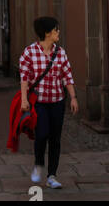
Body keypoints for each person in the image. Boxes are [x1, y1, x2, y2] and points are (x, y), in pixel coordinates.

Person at [19, 15, 79, 189]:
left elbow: (67, 76)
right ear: (47, 33)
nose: (58, 32)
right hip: (39, 102)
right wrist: (24, 99)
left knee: (55, 139)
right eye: (55, 30)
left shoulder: (61, 53)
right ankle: (38, 164)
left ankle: (52, 175)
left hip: (57, 102)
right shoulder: (29, 52)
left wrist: (73, 97)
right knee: (42, 134)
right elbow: (24, 78)